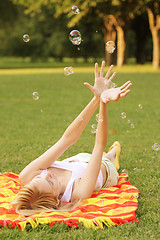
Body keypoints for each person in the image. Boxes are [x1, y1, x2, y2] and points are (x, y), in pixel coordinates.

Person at [12, 61, 132, 216]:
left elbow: (67, 139)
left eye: (39, 178)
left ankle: (110, 155)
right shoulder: (78, 192)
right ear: (57, 201)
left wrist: (96, 97)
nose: (47, 174)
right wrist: (103, 102)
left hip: (76, 161)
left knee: (83, 156)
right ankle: (112, 156)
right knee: (105, 157)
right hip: (105, 171)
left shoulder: (28, 176)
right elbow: (99, 145)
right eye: (50, 182)